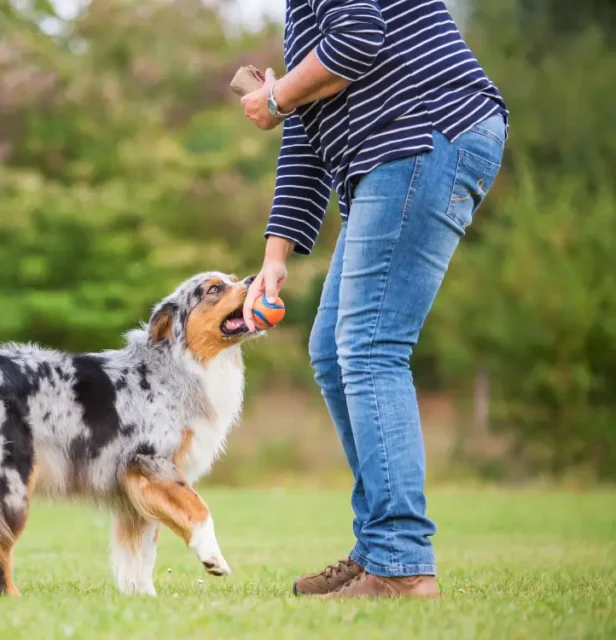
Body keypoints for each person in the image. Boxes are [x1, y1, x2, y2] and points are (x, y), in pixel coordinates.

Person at [239, 0, 507, 598]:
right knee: (335, 354)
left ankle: (402, 564)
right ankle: (378, 549)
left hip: (423, 134)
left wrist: (278, 97)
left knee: (369, 347)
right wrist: (275, 258)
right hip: (401, 150)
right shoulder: (301, 13)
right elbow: (310, 133)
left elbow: (360, 35)